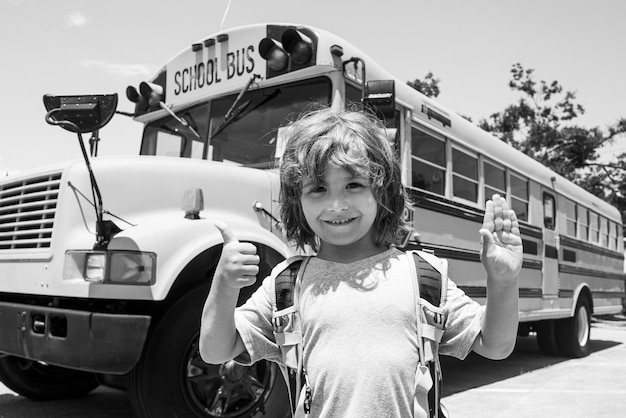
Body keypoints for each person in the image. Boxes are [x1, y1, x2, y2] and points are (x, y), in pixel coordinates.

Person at [200, 107, 523, 418]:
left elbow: (495, 345)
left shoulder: (422, 276)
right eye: (318, 188)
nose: (336, 204)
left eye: (353, 185)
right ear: (296, 200)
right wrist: (225, 284)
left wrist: (503, 281)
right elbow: (216, 350)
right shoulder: (287, 284)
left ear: (382, 189)